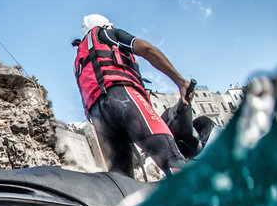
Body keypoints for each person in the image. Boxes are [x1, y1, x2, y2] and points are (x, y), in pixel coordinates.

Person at [74, 14, 194, 177]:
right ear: (107, 24)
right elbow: (146, 49)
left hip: (99, 118)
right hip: (122, 97)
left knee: (123, 180)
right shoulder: (108, 34)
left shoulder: (79, 61)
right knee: (171, 159)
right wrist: (181, 82)